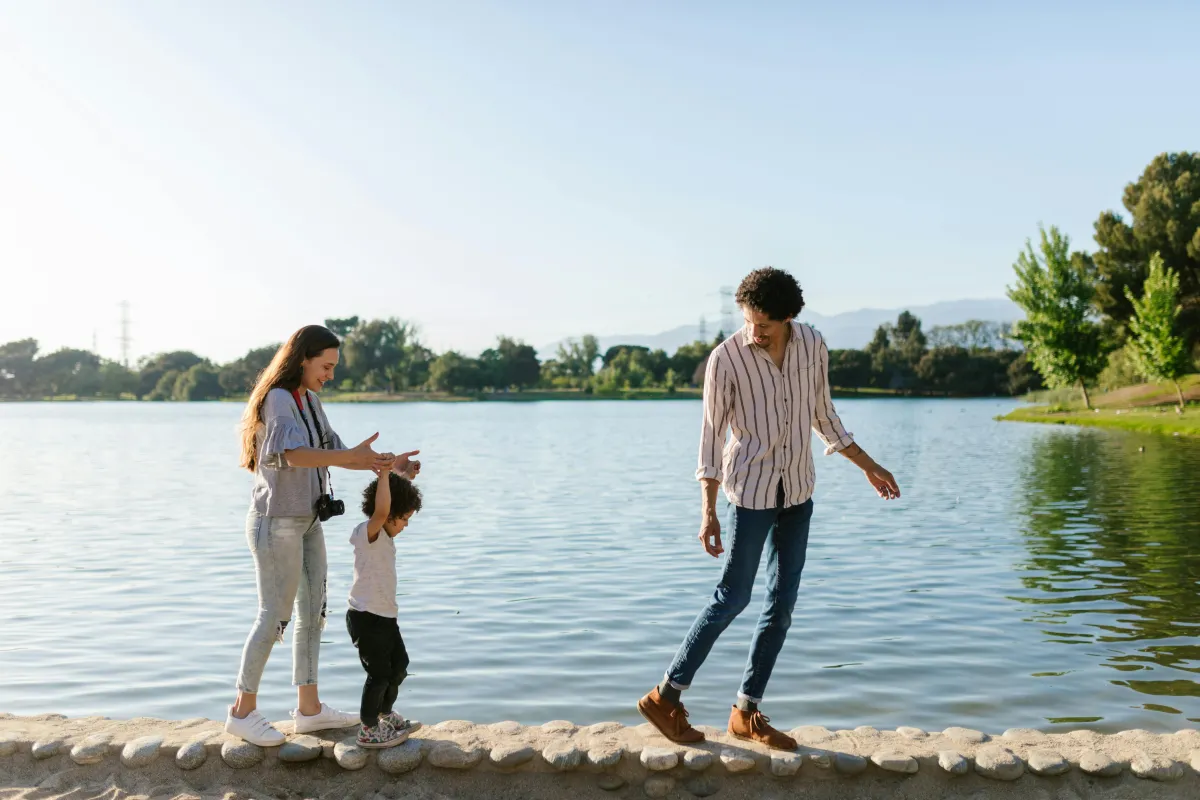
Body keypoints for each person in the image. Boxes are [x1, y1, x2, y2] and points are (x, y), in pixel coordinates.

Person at [637, 268, 901, 750]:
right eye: (748, 321)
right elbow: (711, 437)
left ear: (789, 318)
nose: (754, 332)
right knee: (733, 597)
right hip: (751, 494)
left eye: (765, 325)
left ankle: (746, 711)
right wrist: (708, 511)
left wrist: (869, 466)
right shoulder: (726, 359)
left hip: (798, 492)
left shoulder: (813, 346)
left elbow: (823, 415)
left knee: (781, 608)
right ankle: (666, 696)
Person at [224, 324, 417, 746]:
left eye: (333, 367)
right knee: (274, 616)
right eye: (326, 366)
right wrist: (349, 456)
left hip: (308, 521)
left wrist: (388, 466)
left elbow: (339, 453)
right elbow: (291, 455)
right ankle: (241, 711)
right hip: (276, 524)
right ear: (303, 358)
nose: (330, 374)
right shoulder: (278, 399)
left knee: (314, 614)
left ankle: (309, 710)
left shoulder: (309, 400)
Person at [346, 462, 424, 748]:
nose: (405, 525)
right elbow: (382, 510)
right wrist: (383, 476)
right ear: (390, 516)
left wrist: (403, 477)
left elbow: (389, 502)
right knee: (378, 674)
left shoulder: (386, 535)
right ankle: (367, 729)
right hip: (366, 618)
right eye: (404, 519)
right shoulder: (369, 533)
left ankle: (384, 714)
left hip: (386, 617)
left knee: (399, 666)